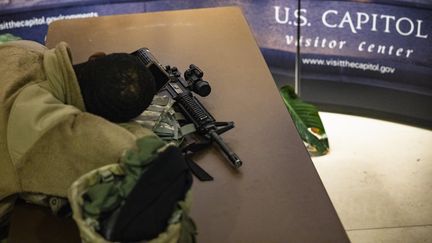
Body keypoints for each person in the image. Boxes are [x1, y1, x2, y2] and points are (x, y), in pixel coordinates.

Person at [0, 40, 179, 241]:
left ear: (97, 56)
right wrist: (130, 128)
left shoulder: (25, 49)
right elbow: (143, 161)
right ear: (99, 121)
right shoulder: (48, 128)